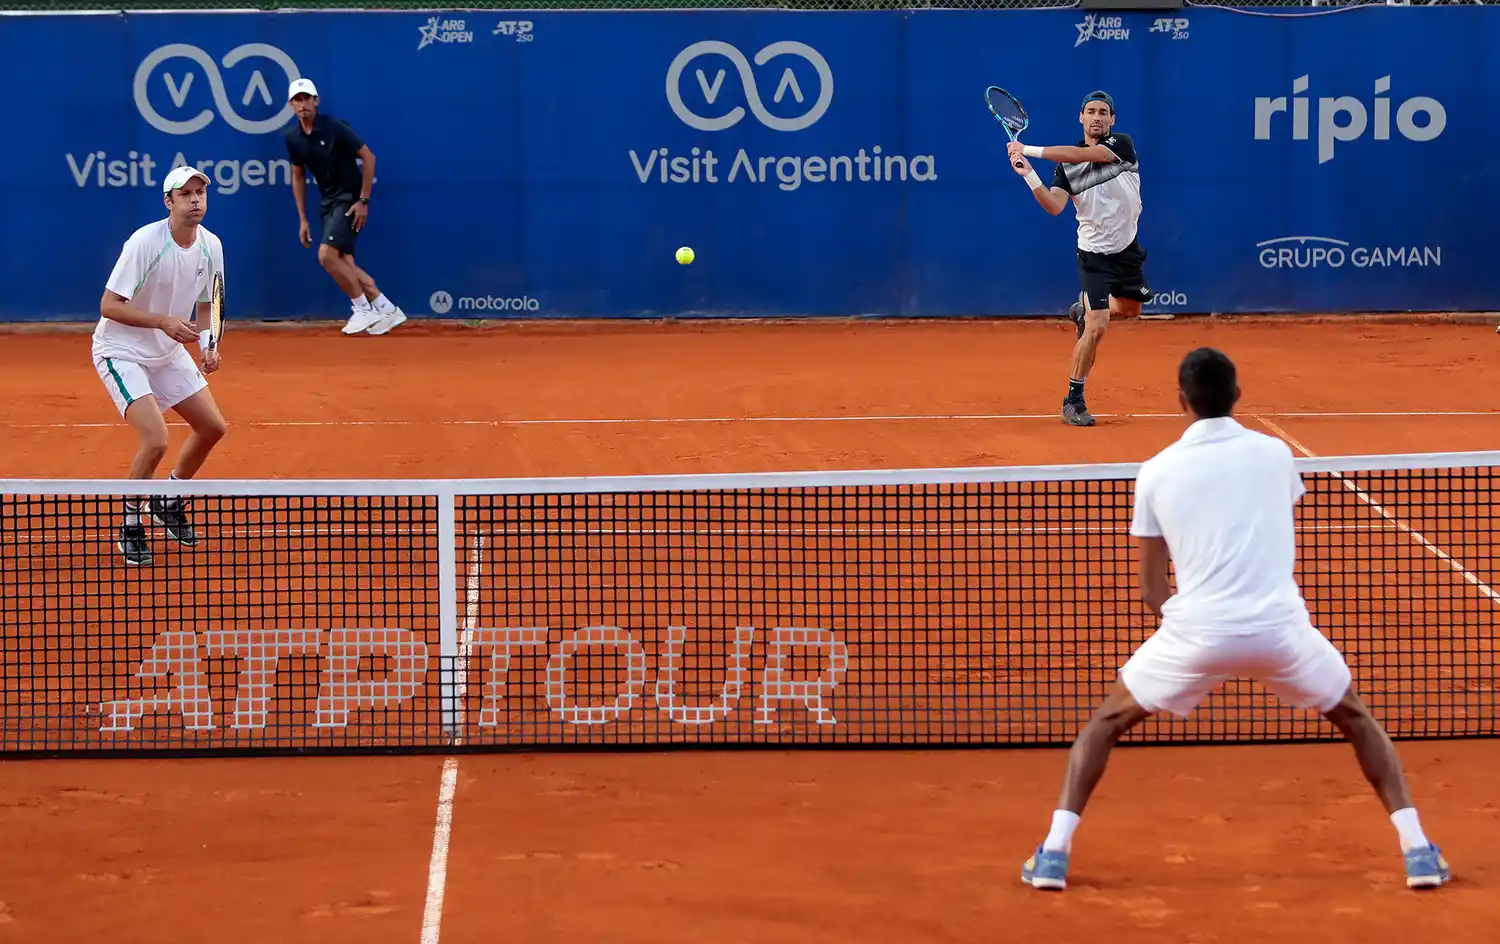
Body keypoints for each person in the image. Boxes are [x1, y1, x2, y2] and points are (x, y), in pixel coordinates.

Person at [1020, 347, 1450, 892]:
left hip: (1194, 632)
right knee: (1357, 720)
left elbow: (1152, 588)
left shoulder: (1154, 473)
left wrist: (1190, 634)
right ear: (1237, 396)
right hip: (1281, 630)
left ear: (1181, 401)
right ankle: (1418, 851)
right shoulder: (1275, 456)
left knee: (1104, 725)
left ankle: (1053, 855)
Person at [95, 164, 230, 566]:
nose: (195, 200)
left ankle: (168, 500)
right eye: (185, 194)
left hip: (168, 350)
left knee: (212, 428)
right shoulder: (145, 242)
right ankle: (131, 523)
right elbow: (108, 306)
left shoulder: (212, 245)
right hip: (122, 350)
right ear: (168, 202)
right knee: (156, 440)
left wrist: (209, 344)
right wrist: (163, 322)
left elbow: (209, 304)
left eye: (200, 193)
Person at [1007, 90, 1152, 428]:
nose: (1098, 117)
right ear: (1081, 118)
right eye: (1091, 111)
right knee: (1098, 325)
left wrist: (1028, 149)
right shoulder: (1066, 169)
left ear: (1112, 120)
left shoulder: (1121, 146)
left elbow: (1077, 154)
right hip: (1093, 255)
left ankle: (1083, 309)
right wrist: (1029, 174)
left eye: (1104, 112)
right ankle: (1073, 399)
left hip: (1127, 251)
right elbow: (1055, 206)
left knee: (1129, 310)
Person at [284, 77, 406, 336]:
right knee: (344, 261)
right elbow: (297, 177)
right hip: (327, 201)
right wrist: (303, 219)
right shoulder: (293, 138)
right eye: (297, 99)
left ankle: (362, 308)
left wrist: (363, 200)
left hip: (349, 199)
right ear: (291, 105)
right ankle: (386, 308)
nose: (302, 104)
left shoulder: (334, 127)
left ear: (316, 101)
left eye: (306, 98)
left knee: (327, 255)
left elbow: (368, 157)